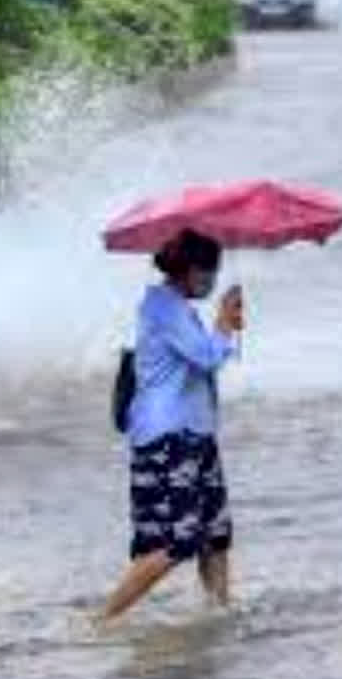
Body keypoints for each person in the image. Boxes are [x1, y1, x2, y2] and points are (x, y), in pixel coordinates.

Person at [101, 229, 244, 622]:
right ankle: (103, 620)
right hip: (169, 440)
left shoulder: (180, 308)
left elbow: (209, 359)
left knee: (215, 535)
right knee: (175, 543)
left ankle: (220, 614)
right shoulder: (162, 308)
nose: (212, 279)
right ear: (186, 270)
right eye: (207, 271)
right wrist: (225, 323)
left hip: (196, 435)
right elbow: (206, 358)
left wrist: (225, 326)